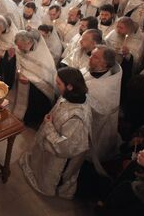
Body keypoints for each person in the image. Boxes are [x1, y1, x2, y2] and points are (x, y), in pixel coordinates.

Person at [20, 67, 91, 199]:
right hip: (48, 141)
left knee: (46, 171)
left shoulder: (77, 118)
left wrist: (48, 126)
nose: (56, 86)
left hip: (58, 156)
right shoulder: (70, 95)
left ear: (69, 86)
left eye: (59, 83)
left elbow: (64, 147)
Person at [82, 45, 123, 174]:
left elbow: (102, 110)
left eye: (95, 57)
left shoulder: (106, 86)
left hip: (97, 125)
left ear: (105, 64)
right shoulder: (94, 69)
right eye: (91, 54)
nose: (90, 58)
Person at [14, 30, 57, 126]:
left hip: (40, 87)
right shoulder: (20, 47)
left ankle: (34, 122)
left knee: (36, 102)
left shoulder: (43, 55)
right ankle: (25, 118)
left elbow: (45, 76)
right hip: (24, 81)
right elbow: (18, 63)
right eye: (17, 45)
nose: (18, 48)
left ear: (29, 42)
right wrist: (19, 73)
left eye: (20, 46)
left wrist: (30, 78)